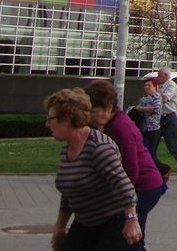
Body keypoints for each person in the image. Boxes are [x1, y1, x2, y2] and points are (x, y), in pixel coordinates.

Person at [45, 87, 142, 251]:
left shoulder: (99, 147)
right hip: (85, 222)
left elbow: (125, 186)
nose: (47, 124)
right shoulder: (67, 149)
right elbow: (69, 191)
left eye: (50, 119)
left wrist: (132, 220)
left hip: (114, 222)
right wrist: (60, 227)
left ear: (67, 119)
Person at [85, 79, 165, 247]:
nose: (90, 116)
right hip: (145, 186)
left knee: (124, 235)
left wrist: (118, 199)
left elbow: (131, 170)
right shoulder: (113, 122)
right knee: (133, 239)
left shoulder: (120, 127)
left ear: (108, 107)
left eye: (94, 111)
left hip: (145, 187)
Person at [134, 78, 163, 170]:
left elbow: (155, 109)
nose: (147, 87)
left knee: (151, 153)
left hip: (153, 129)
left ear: (155, 86)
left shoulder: (156, 97)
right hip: (144, 128)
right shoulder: (144, 98)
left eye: (149, 85)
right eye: (145, 85)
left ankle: (163, 169)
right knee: (146, 152)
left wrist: (142, 109)